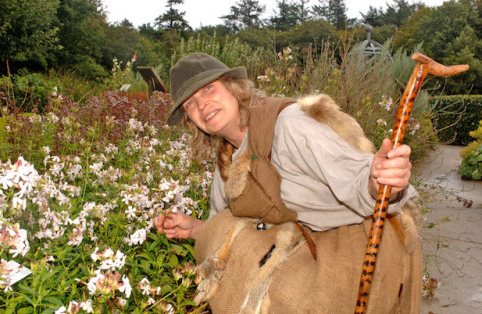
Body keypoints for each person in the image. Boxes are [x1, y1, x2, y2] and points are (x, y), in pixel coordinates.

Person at [154, 52, 417, 240]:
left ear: (233, 87)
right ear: (191, 121)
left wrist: (380, 180)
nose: (201, 105)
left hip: (355, 242)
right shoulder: (226, 159)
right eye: (189, 103)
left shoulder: (290, 124)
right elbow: (225, 224)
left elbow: (359, 179)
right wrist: (194, 228)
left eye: (209, 88)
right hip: (302, 250)